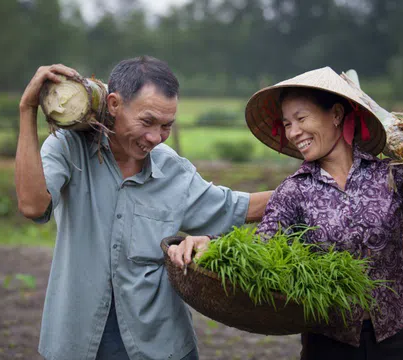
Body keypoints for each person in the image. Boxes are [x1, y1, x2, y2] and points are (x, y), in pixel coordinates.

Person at [169, 67, 403, 360]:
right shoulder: (294, 191)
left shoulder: (390, 175)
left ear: (336, 114)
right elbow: (260, 251)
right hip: (328, 344)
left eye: (301, 118)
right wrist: (212, 245)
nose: (294, 132)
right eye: (286, 124)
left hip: (394, 340)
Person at [15, 56, 272, 360]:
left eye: (166, 126)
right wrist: (28, 109)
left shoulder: (173, 170)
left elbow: (237, 207)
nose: (155, 137)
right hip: (79, 339)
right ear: (113, 104)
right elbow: (33, 205)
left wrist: (310, 189)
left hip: (161, 344)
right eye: (147, 121)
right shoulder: (69, 148)